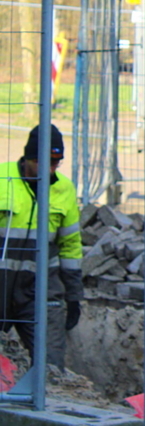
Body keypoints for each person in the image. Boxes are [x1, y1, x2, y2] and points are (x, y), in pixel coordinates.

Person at [0, 124, 83, 369]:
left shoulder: (64, 189)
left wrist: (74, 295)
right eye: (42, 161)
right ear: (27, 158)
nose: (49, 169)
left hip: (41, 291)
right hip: (1, 285)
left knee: (51, 365)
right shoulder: (3, 179)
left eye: (56, 163)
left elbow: (70, 246)